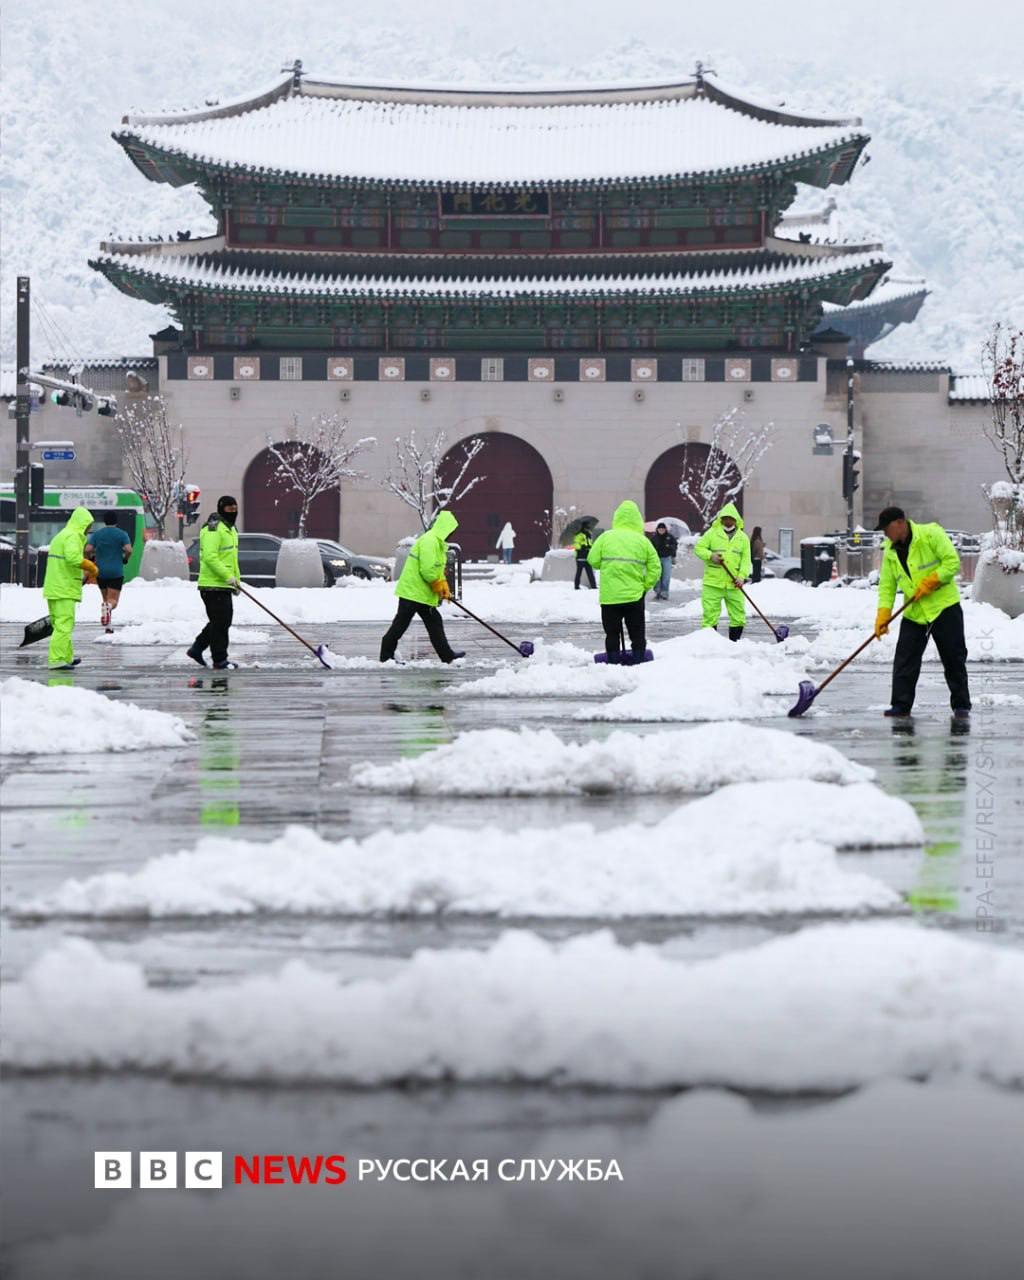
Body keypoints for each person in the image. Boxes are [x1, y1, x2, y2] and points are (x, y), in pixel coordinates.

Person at [873, 506, 971, 719]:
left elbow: (952, 562)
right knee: (905, 660)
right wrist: (883, 615)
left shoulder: (931, 534)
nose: (885, 534)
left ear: (900, 523)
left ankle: (961, 705)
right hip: (914, 612)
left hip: (944, 607)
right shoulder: (890, 551)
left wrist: (932, 580)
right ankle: (901, 705)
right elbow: (887, 586)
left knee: (953, 658)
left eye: (886, 528)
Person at [380, 509, 465, 664]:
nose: (452, 534)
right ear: (445, 528)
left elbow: (436, 569)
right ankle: (386, 656)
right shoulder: (430, 541)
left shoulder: (438, 543)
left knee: (434, 623)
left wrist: (443, 585)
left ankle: (447, 656)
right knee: (400, 625)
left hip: (421, 593)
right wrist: (438, 584)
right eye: (451, 530)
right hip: (412, 592)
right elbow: (427, 570)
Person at [587, 500, 661, 661]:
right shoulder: (642, 541)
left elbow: (592, 560)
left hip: (610, 597)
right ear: (637, 520)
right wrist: (645, 586)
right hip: (634, 596)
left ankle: (613, 660)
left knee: (612, 633)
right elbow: (656, 568)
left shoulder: (606, 537)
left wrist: (606, 565)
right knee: (637, 632)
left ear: (617, 518)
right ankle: (638, 659)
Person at [187, 495, 241, 670]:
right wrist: (228, 577)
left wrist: (236, 581)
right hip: (212, 584)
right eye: (229, 510)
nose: (233, 513)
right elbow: (210, 557)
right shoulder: (213, 529)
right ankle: (219, 659)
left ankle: (197, 648)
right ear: (221, 509)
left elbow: (232, 559)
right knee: (221, 622)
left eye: (235, 509)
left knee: (221, 621)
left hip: (223, 584)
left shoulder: (230, 530)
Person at [41, 506, 96, 670]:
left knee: (61, 625)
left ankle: (66, 657)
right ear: (82, 524)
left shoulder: (62, 535)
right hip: (64, 588)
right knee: (64, 625)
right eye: (88, 526)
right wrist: (91, 567)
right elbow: (73, 558)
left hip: (55, 587)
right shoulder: (72, 536)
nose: (88, 530)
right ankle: (57, 659)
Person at [693, 502, 752, 641]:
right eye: (725, 518)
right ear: (721, 519)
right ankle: (710, 644)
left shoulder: (743, 538)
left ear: (736, 520)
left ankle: (734, 643)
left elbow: (746, 560)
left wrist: (741, 577)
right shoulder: (712, 533)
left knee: (738, 615)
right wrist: (710, 556)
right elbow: (699, 548)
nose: (728, 520)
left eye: (731, 518)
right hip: (713, 583)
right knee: (710, 615)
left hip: (734, 583)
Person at [86, 512, 132, 633]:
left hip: (100, 572)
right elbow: (128, 549)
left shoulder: (97, 534)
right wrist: (125, 559)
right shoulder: (122, 534)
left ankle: (108, 627)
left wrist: (90, 559)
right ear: (116, 521)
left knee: (105, 599)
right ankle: (109, 611)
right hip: (116, 571)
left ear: (104, 521)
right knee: (113, 601)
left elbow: (88, 549)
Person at [649, 522, 678, 600]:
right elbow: (649, 549)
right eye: (660, 529)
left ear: (665, 529)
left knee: (666, 576)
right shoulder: (654, 538)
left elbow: (675, 546)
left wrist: (673, 556)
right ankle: (657, 592)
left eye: (663, 529)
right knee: (657, 576)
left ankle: (664, 593)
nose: (661, 530)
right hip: (656, 559)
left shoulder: (670, 537)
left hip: (667, 558)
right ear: (657, 530)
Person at [573, 520, 597, 590]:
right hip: (580, 557)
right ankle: (576, 586)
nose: (588, 529)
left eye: (588, 527)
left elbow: (590, 544)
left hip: (587, 557)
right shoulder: (579, 535)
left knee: (590, 573)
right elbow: (576, 544)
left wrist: (590, 547)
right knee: (579, 572)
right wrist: (581, 547)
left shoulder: (589, 535)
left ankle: (593, 586)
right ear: (583, 527)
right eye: (587, 527)